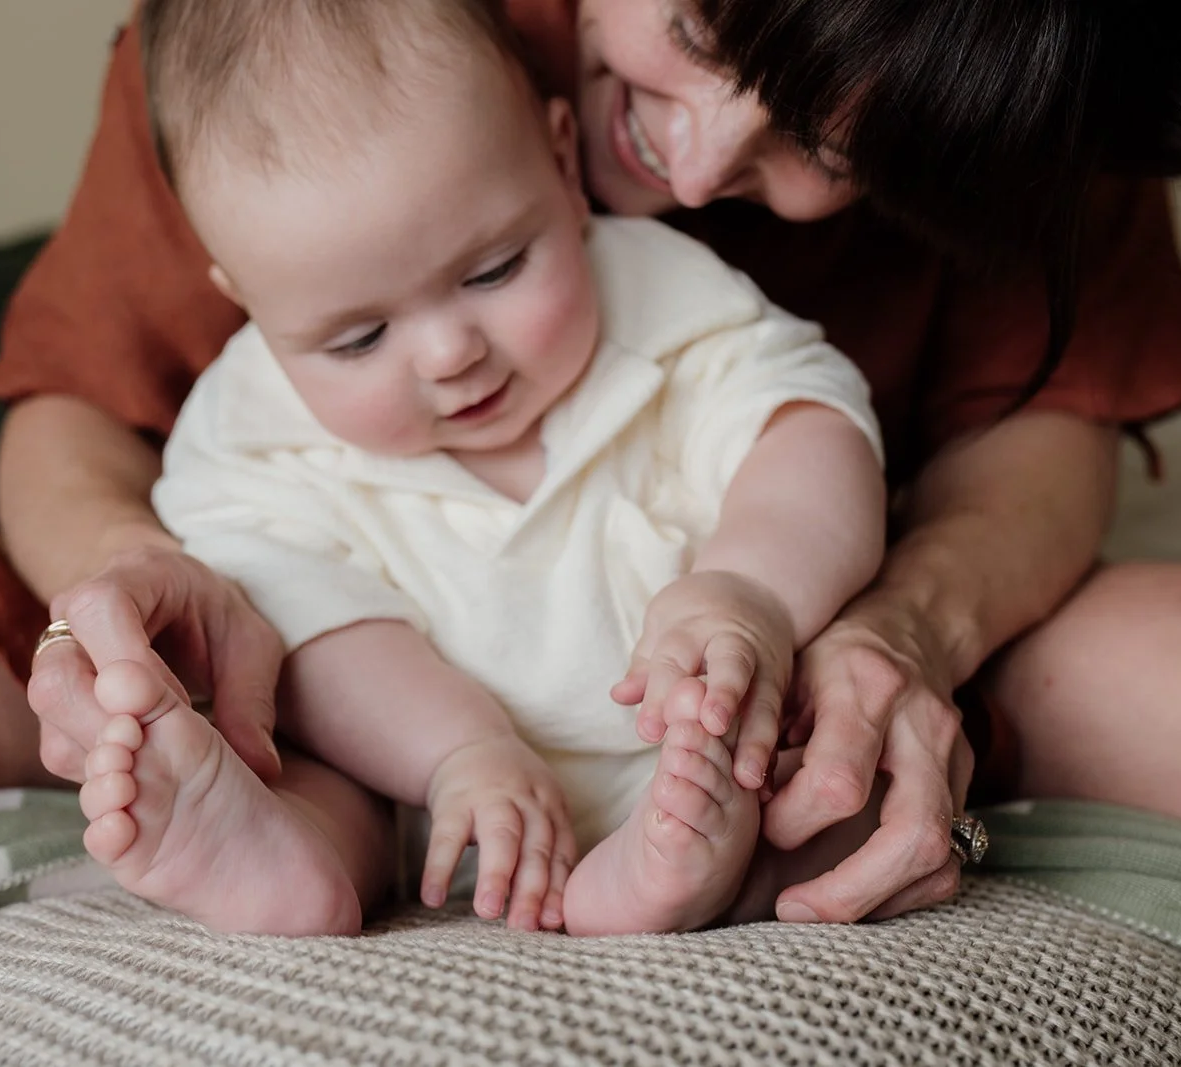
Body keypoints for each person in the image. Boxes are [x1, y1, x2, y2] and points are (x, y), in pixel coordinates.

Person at [0, 0, 1181, 1060]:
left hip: (804, 604)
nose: (707, 158)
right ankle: (277, 847)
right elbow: (74, 415)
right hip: (295, 655)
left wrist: (885, 629)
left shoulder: (1045, 59)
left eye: (835, 146)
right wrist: (128, 598)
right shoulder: (292, 38)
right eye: (703, 23)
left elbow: (1038, 437)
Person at [76, 0, 889, 939]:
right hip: (418, 788)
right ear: (249, 301)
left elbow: (809, 428)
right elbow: (302, 620)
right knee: (300, 741)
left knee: (825, 793)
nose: (447, 354)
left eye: (495, 270)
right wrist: (457, 750)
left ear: (557, 162)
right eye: (360, 336)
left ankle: (671, 869)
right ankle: (281, 860)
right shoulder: (251, 423)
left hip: (679, 736)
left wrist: (750, 588)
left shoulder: (664, 298)